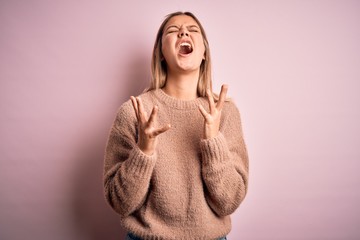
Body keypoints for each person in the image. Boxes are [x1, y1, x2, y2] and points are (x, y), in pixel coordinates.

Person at [103, 11, 249, 240]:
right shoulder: (134, 112)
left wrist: (213, 142)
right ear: (161, 53)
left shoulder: (224, 112)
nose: (183, 32)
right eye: (172, 31)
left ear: (203, 53)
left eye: (193, 30)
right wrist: (144, 150)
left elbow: (228, 202)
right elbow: (120, 203)